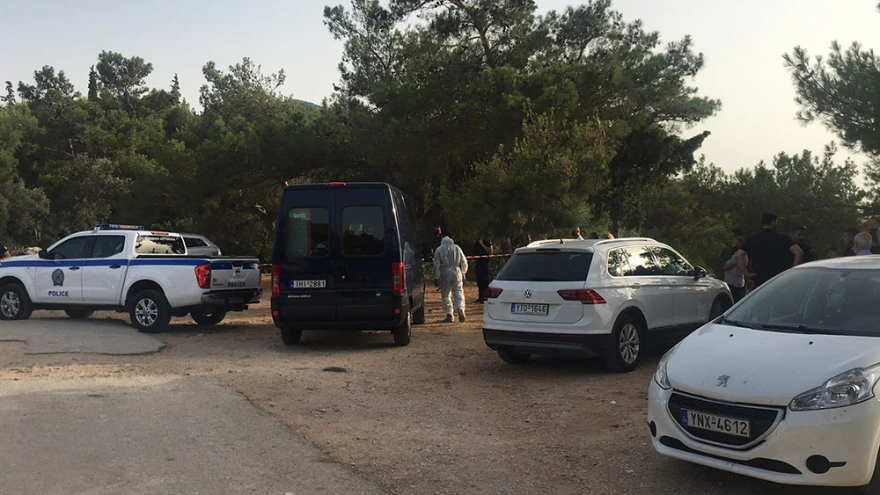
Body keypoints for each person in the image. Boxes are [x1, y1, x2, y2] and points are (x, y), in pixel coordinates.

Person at [737, 213, 804, 288]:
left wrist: (747, 273)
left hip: (759, 278)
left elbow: (739, 256)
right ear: (773, 222)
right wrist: (792, 273)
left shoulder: (752, 238)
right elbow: (799, 252)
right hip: (779, 277)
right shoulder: (783, 238)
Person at [434, 236, 468, 323]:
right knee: (458, 291)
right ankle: (460, 308)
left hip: (444, 271)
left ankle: (449, 314)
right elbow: (464, 261)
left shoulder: (439, 249)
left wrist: (436, 276)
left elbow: (436, 264)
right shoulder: (457, 248)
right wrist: (463, 272)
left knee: (445, 294)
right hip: (456, 271)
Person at [724, 236, 747, 302]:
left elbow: (726, 266)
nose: (732, 245)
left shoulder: (737, 255)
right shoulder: (743, 255)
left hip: (733, 283)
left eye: (734, 243)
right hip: (738, 282)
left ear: (739, 244)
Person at [474, 238, 493, 304]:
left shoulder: (486, 241)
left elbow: (490, 251)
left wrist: (482, 244)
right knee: (479, 281)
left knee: (485, 280)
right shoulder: (477, 243)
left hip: (485, 264)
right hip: (478, 263)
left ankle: (486, 297)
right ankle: (481, 297)